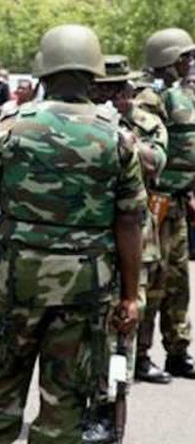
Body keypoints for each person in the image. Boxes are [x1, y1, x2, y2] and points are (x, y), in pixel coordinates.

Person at [0, 24, 145, 443]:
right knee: (65, 401)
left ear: (43, 75)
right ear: (93, 76)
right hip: (86, 287)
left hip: (19, 280)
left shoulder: (11, 128)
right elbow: (129, 221)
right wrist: (131, 295)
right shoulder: (117, 138)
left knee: (1, 389)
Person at [83, 54, 170, 442]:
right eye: (100, 89)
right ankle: (83, 404)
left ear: (127, 90)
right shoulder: (84, 121)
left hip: (134, 245)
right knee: (84, 332)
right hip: (91, 240)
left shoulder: (145, 123)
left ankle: (110, 408)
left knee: (122, 334)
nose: (108, 97)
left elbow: (156, 162)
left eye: (116, 90)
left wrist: (125, 139)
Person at [134, 28, 195, 381]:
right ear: (167, 61)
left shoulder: (182, 95)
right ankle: (140, 355)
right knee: (151, 283)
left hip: (177, 203)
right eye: (184, 57)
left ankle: (177, 351)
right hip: (154, 204)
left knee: (177, 282)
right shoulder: (149, 98)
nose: (189, 63)